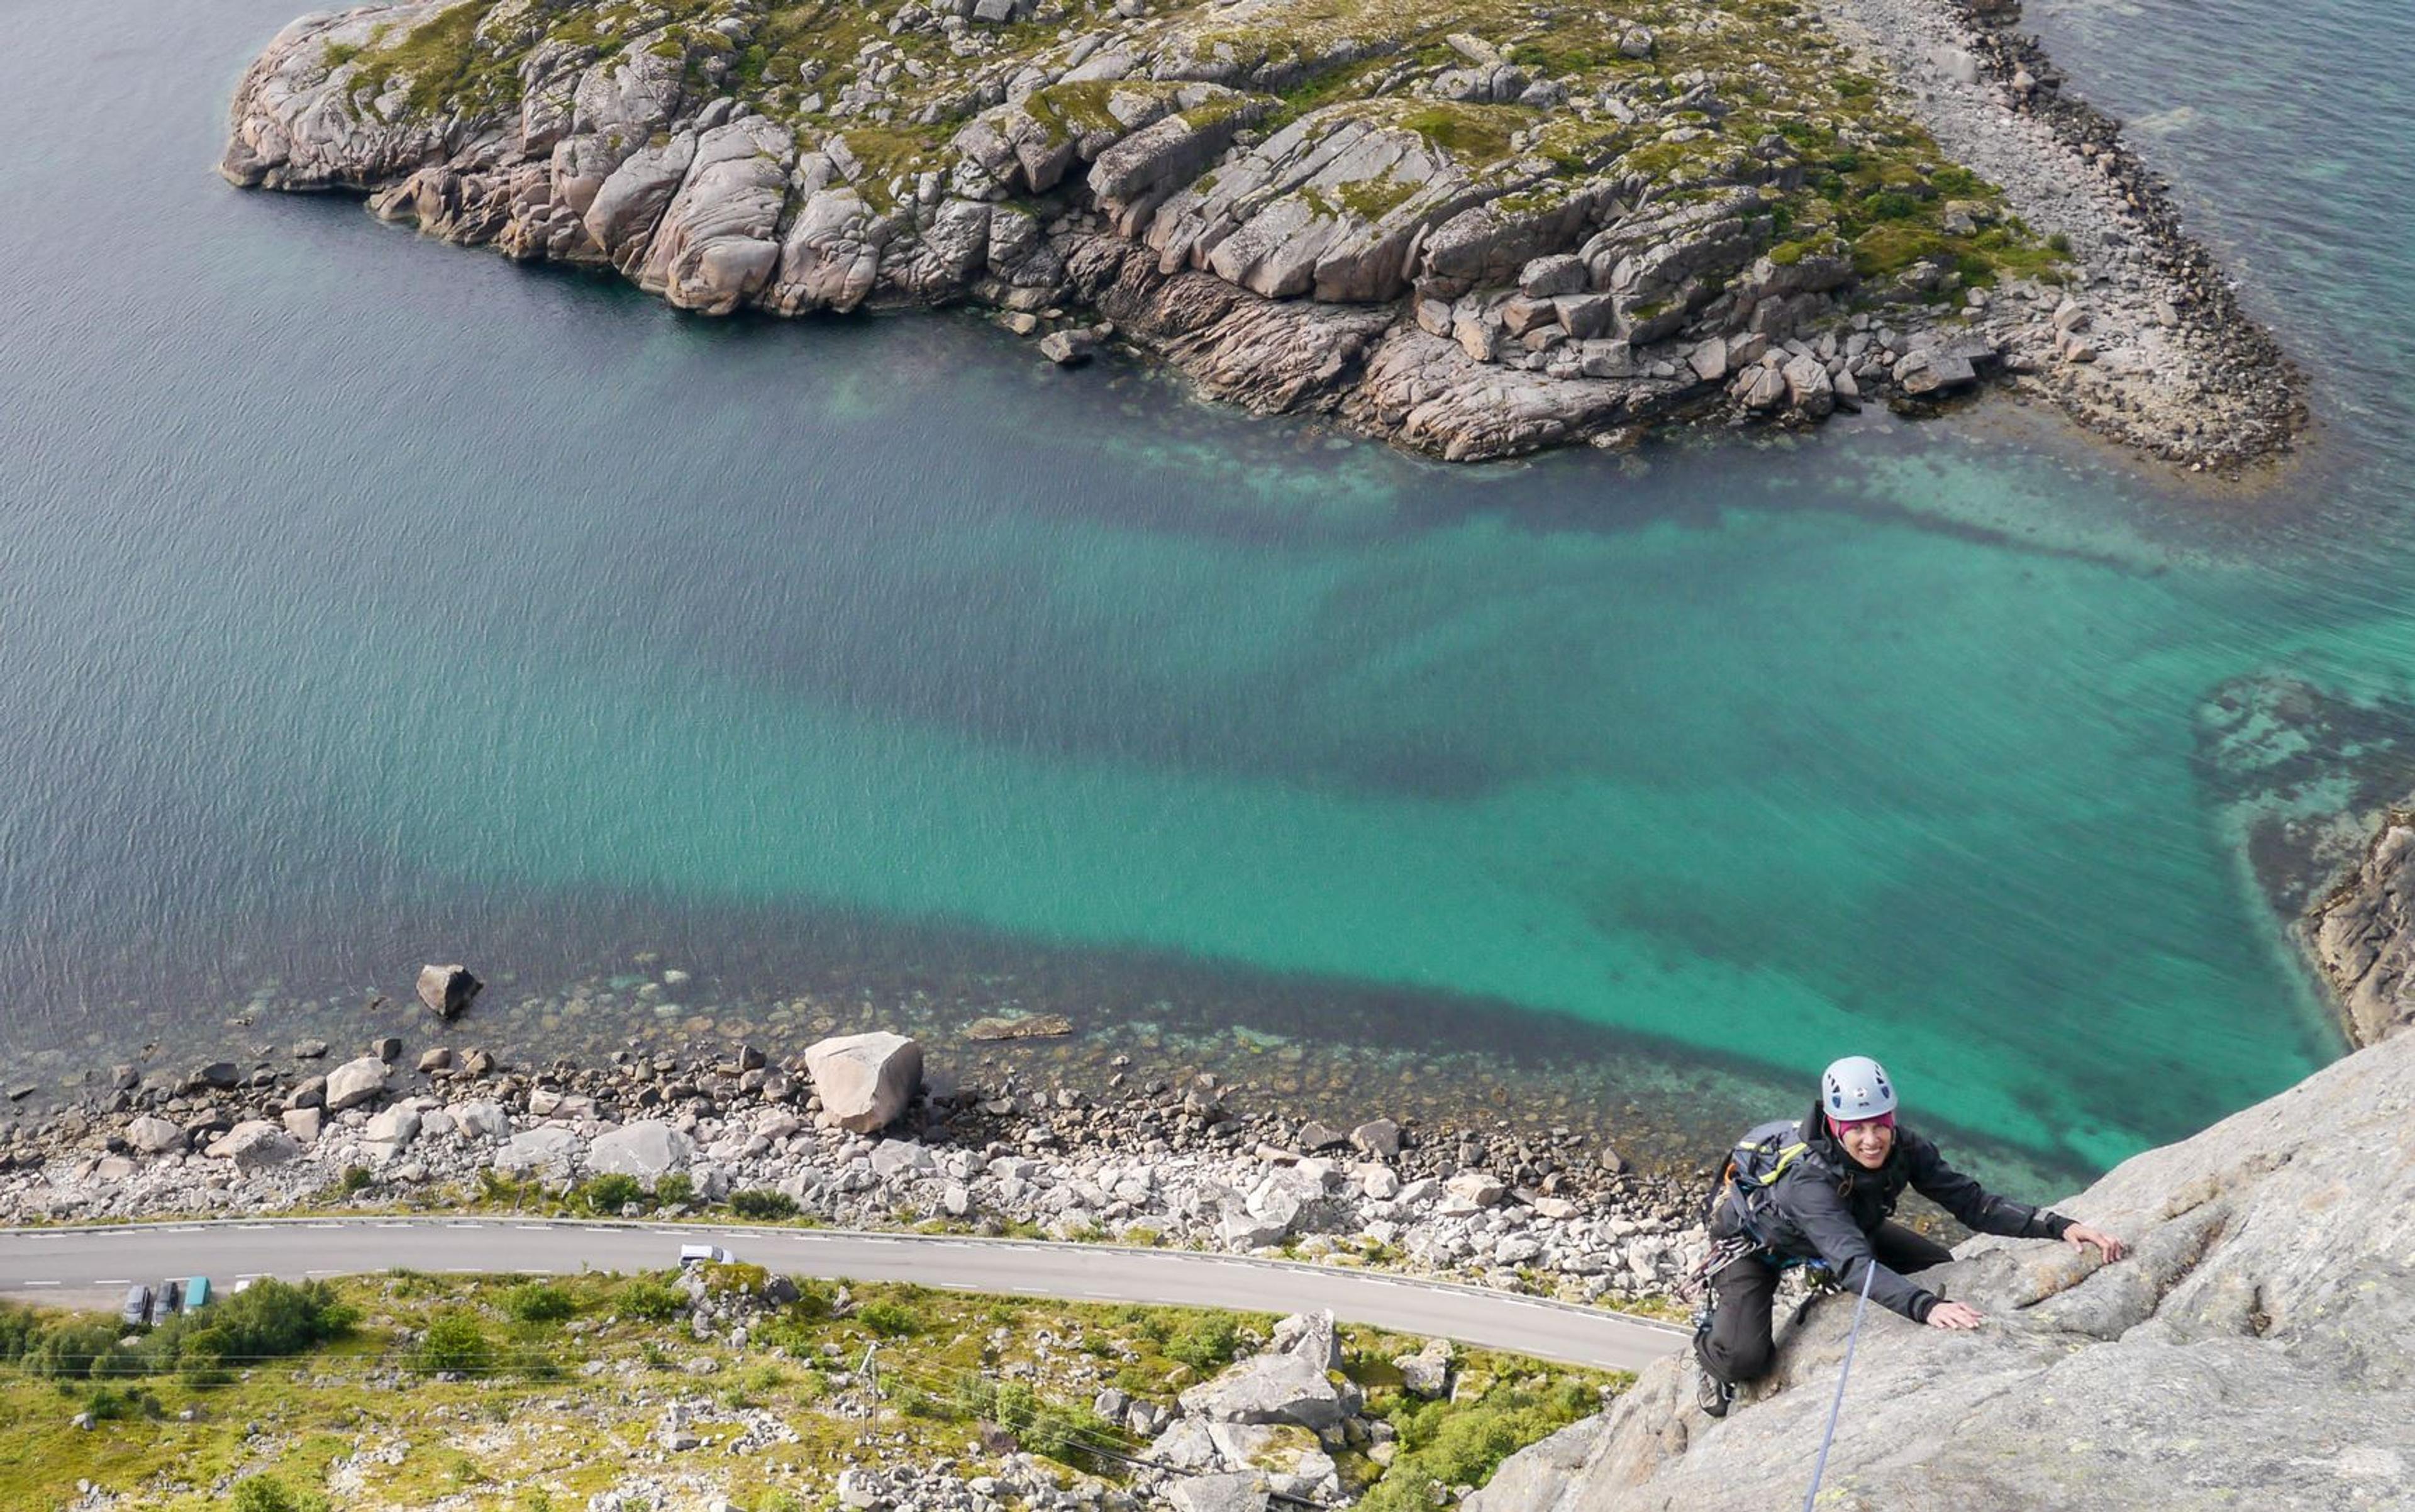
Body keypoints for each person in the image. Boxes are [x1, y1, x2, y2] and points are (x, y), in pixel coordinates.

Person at [1692, 1054, 2127, 1417]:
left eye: (1879, 1124)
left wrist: (2059, 1226)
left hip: (1846, 1231)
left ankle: (1822, 1276)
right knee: (1746, 1361)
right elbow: (1855, 1266)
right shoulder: (1809, 1182)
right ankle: (1707, 1350)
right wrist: (1925, 1309)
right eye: (1856, 1128)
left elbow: (1972, 1204)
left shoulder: (1906, 1148)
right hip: (1758, 1247)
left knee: (1939, 1267)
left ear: (1892, 1118)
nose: (1871, 1140)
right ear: (1834, 1124)